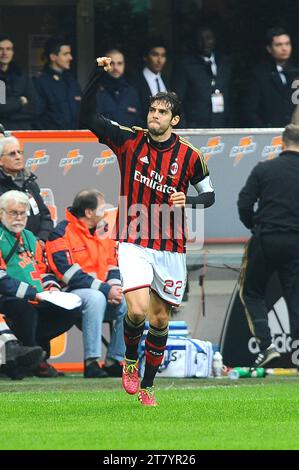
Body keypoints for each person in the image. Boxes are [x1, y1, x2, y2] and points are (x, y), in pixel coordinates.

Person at [79, 57, 215, 405]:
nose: (154, 116)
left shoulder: (190, 156)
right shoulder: (128, 140)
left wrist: (190, 201)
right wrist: (97, 75)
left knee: (159, 321)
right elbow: (88, 118)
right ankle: (128, 362)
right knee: (136, 311)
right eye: (152, 110)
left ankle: (148, 386)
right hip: (133, 240)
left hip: (171, 247)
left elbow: (210, 196)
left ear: (175, 120)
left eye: (161, 112)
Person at [237, 124, 299, 369]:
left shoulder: (265, 169)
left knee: (252, 292)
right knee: (296, 299)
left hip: (266, 238)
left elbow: (244, 203)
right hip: (297, 242)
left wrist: (255, 226)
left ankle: (266, 346)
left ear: (282, 144)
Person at [46, 189, 126, 378]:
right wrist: (106, 289)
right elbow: (67, 274)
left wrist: (115, 288)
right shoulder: (60, 233)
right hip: (70, 294)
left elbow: (112, 264)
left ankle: (114, 360)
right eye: (101, 208)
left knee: (130, 302)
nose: (105, 212)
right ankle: (91, 363)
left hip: (102, 293)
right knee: (96, 297)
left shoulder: (103, 231)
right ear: (89, 212)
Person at [0, 190, 81, 378]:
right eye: (13, 213)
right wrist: (31, 294)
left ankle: (37, 357)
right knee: (24, 309)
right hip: (10, 298)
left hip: (37, 296)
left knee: (68, 312)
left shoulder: (30, 238)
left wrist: (52, 288)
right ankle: (33, 362)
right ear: (1, 213)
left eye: (22, 213)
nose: (18, 218)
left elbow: (43, 271)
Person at [172, 25, 234, 128]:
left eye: (208, 38)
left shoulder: (224, 64)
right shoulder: (185, 66)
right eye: (200, 39)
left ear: (214, 40)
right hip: (195, 128)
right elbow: (177, 100)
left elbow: (230, 97)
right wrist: (185, 127)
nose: (205, 43)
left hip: (221, 127)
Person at [0, 135, 53, 246]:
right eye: (12, 154)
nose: (18, 157)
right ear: (1, 160)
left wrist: (42, 239)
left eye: (19, 152)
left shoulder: (30, 183)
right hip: (9, 247)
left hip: (37, 246)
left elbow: (45, 216)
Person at [243, 26, 298, 127]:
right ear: (269, 48)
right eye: (278, 45)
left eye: (287, 44)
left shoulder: (296, 73)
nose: (284, 48)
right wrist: (264, 131)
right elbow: (250, 110)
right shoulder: (259, 74)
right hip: (269, 134)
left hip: (294, 134)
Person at [34, 36, 81, 130]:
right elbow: (37, 116)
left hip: (75, 138)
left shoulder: (72, 81)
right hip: (52, 139)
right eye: (65, 54)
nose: (70, 58)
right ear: (53, 57)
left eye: (70, 53)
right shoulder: (40, 82)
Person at [96, 48, 142, 128]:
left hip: (127, 140)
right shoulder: (95, 92)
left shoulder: (132, 93)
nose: (116, 68)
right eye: (112, 63)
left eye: (119, 63)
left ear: (124, 65)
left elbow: (139, 123)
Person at [0, 34, 38, 130]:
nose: (4, 53)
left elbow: (34, 107)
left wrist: (8, 113)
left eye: (8, 49)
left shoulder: (22, 76)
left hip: (22, 131)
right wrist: (20, 101)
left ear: (13, 52)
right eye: (1, 49)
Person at [131, 37, 169, 126]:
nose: (159, 60)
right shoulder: (135, 82)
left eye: (163, 55)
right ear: (145, 57)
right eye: (155, 55)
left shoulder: (166, 81)